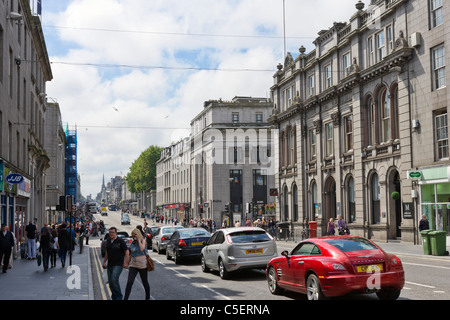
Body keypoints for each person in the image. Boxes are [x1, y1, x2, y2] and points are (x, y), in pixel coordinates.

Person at [102, 227, 129, 300]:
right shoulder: (108, 240)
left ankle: (119, 297)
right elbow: (107, 252)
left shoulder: (120, 241)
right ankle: (114, 297)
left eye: (112, 232)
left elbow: (126, 251)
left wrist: (126, 262)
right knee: (110, 283)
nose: (111, 234)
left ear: (116, 233)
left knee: (114, 279)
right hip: (110, 264)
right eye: (110, 232)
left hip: (118, 264)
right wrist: (104, 261)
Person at [124, 229, 150, 300]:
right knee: (129, 282)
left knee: (145, 282)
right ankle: (125, 298)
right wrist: (127, 262)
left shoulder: (143, 241)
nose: (133, 237)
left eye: (135, 235)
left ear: (138, 234)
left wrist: (139, 239)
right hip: (133, 265)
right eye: (133, 235)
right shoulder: (133, 243)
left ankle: (147, 298)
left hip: (142, 265)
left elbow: (142, 249)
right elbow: (131, 254)